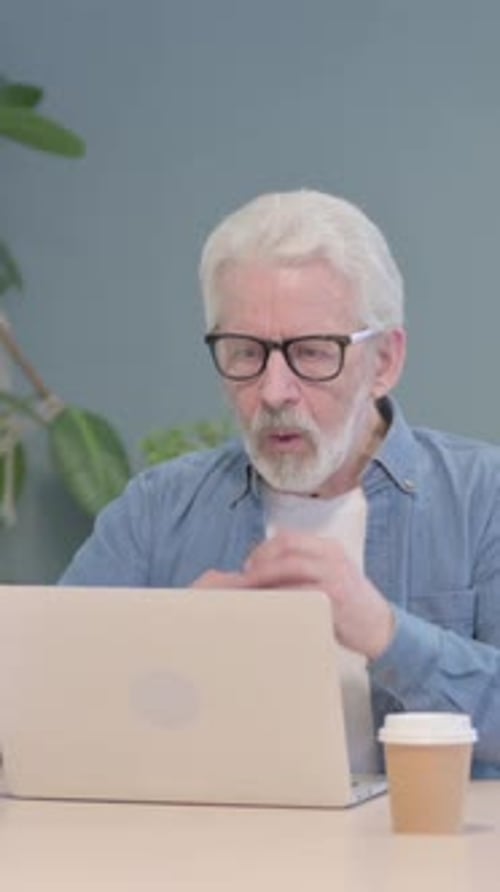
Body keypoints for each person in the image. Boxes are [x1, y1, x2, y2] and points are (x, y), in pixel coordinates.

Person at [60, 189, 500, 778]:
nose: (273, 392)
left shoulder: (482, 498)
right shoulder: (156, 512)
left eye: (312, 354)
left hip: (424, 860)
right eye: (244, 353)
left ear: (385, 362)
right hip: (203, 858)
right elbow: (38, 701)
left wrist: (386, 634)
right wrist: (167, 643)